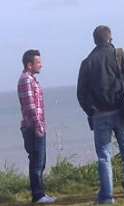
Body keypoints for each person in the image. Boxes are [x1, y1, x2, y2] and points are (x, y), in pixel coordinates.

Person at [77, 25, 124, 204]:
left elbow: (81, 93)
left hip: (100, 115)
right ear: (110, 38)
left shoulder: (87, 62)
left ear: (95, 40)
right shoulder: (121, 56)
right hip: (122, 112)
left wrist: (91, 110)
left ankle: (107, 197)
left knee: (104, 157)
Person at [17, 49, 56, 204]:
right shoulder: (26, 80)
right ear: (29, 64)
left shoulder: (32, 79)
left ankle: (40, 193)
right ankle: (38, 195)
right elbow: (30, 106)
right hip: (33, 127)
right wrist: (39, 126)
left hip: (37, 125)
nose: (41, 65)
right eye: (38, 62)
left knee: (40, 161)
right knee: (37, 161)